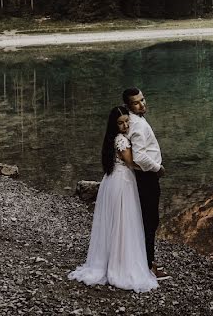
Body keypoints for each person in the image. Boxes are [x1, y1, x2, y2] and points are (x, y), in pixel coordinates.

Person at [68, 107, 158, 292]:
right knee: (123, 223)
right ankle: (122, 265)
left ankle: (111, 260)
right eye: (121, 122)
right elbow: (132, 162)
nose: (125, 125)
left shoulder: (111, 139)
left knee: (114, 222)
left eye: (127, 121)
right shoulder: (121, 140)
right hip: (123, 183)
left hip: (112, 181)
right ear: (114, 124)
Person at [122, 87, 168, 279]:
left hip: (141, 178)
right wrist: (158, 168)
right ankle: (148, 265)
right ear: (128, 106)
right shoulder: (137, 125)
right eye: (136, 102)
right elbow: (139, 156)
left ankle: (144, 260)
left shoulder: (133, 121)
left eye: (143, 100)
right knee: (150, 222)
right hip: (147, 177)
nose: (142, 104)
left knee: (144, 220)